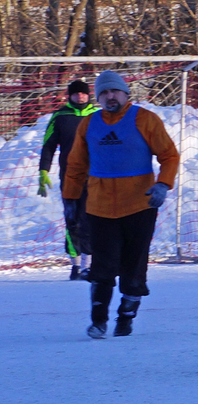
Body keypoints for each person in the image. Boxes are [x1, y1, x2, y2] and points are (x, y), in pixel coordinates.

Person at [61, 70, 180, 338]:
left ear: (126, 94)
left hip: (139, 204)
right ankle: (98, 321)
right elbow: (76, 166)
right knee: (102, 265)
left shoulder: (144, 119)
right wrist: (69, 199)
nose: (109, 96)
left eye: (114, 91)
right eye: (103, 92)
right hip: (100, 207)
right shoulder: (89, 124)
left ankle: (127, 314)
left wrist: (163, 184)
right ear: (98, 98)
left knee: (133, 265)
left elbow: (169, 155)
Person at [38, 78, 98, 280]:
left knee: (89, 220)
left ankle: (88, 266)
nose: (80, 96)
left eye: (83, 93)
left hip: (94, 177)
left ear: (88, 95)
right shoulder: (60, 116)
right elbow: (48, 145)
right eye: (76, 93)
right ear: (70, 96)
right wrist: (43, 170)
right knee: (72, 220)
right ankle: (75, 266)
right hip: (69, 177)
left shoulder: (98, 116)